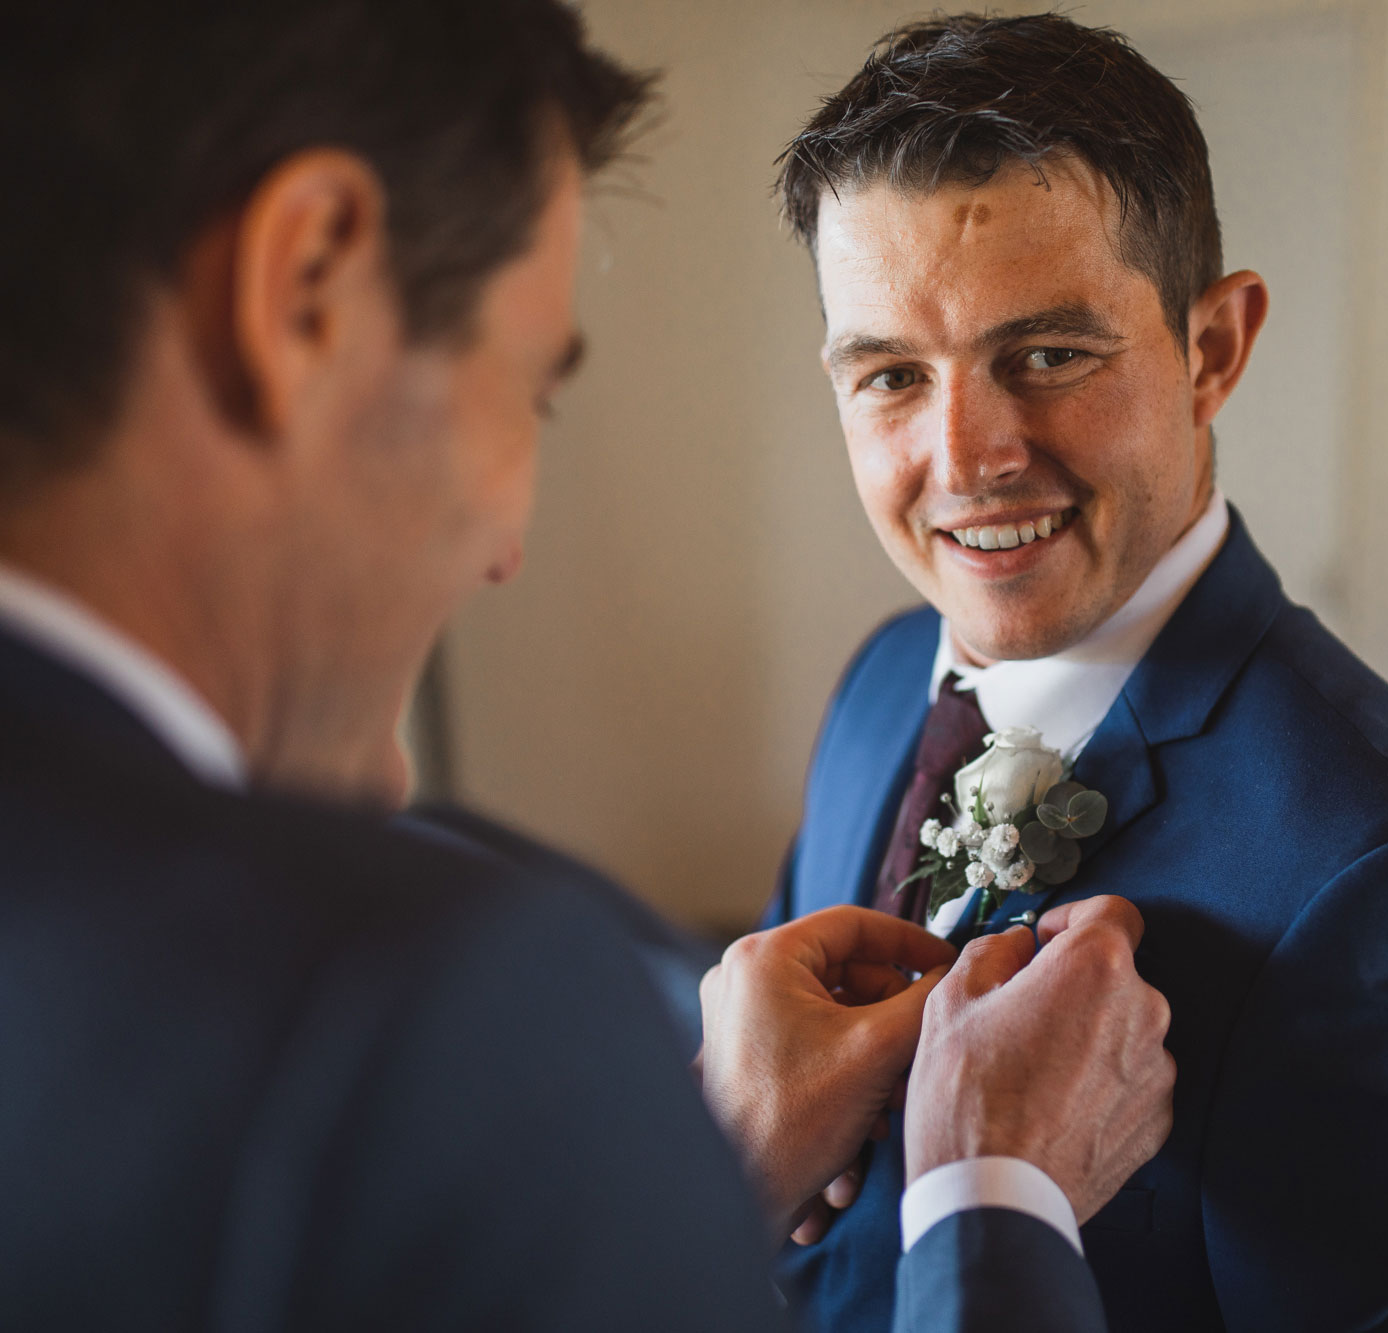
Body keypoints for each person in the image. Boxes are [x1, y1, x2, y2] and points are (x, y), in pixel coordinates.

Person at [0, 3, 1173, 1330]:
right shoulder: (422, 1005)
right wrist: (996, 1203)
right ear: (306, 288)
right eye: (523, 390)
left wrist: (703, 1177)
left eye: (1051, 355)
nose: (509, 546)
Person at [763, 13, 1388, 1331]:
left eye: (1047, 354)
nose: (966, 455)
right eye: (889, 375)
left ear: (1213, 348)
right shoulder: (884, 681)